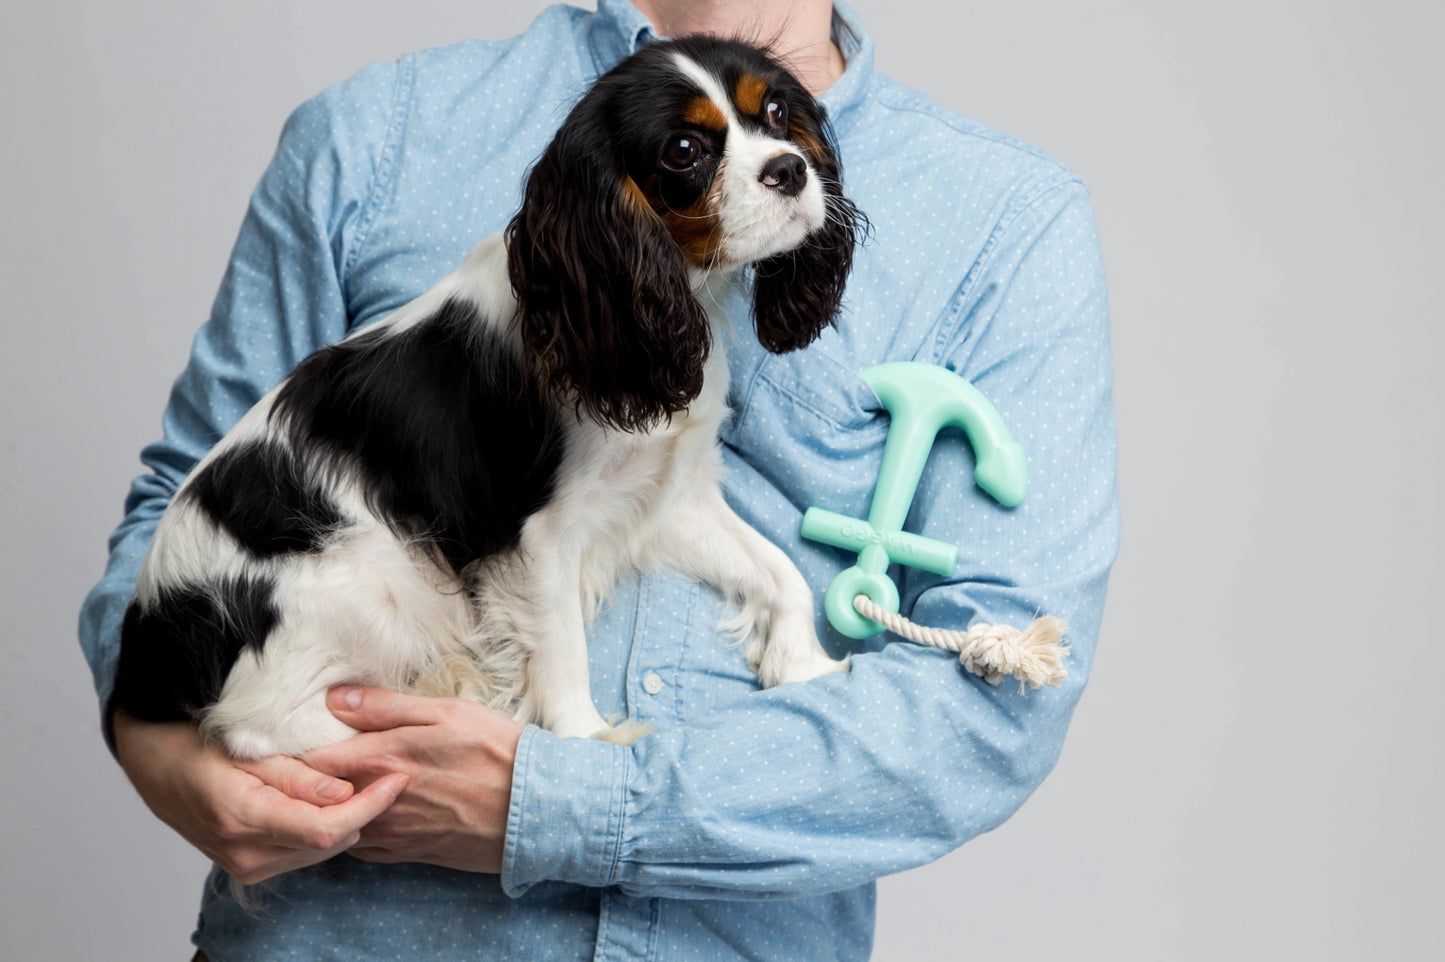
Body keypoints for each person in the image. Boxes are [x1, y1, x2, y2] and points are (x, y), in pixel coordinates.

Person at [79, 0, 1120, 958]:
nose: (766, 156)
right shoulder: (375, 132)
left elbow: (995, 700)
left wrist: (557, 799)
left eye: (776, 128)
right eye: (692, 149)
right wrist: (160, 746)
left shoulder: (1006, 219)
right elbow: (180, 514)